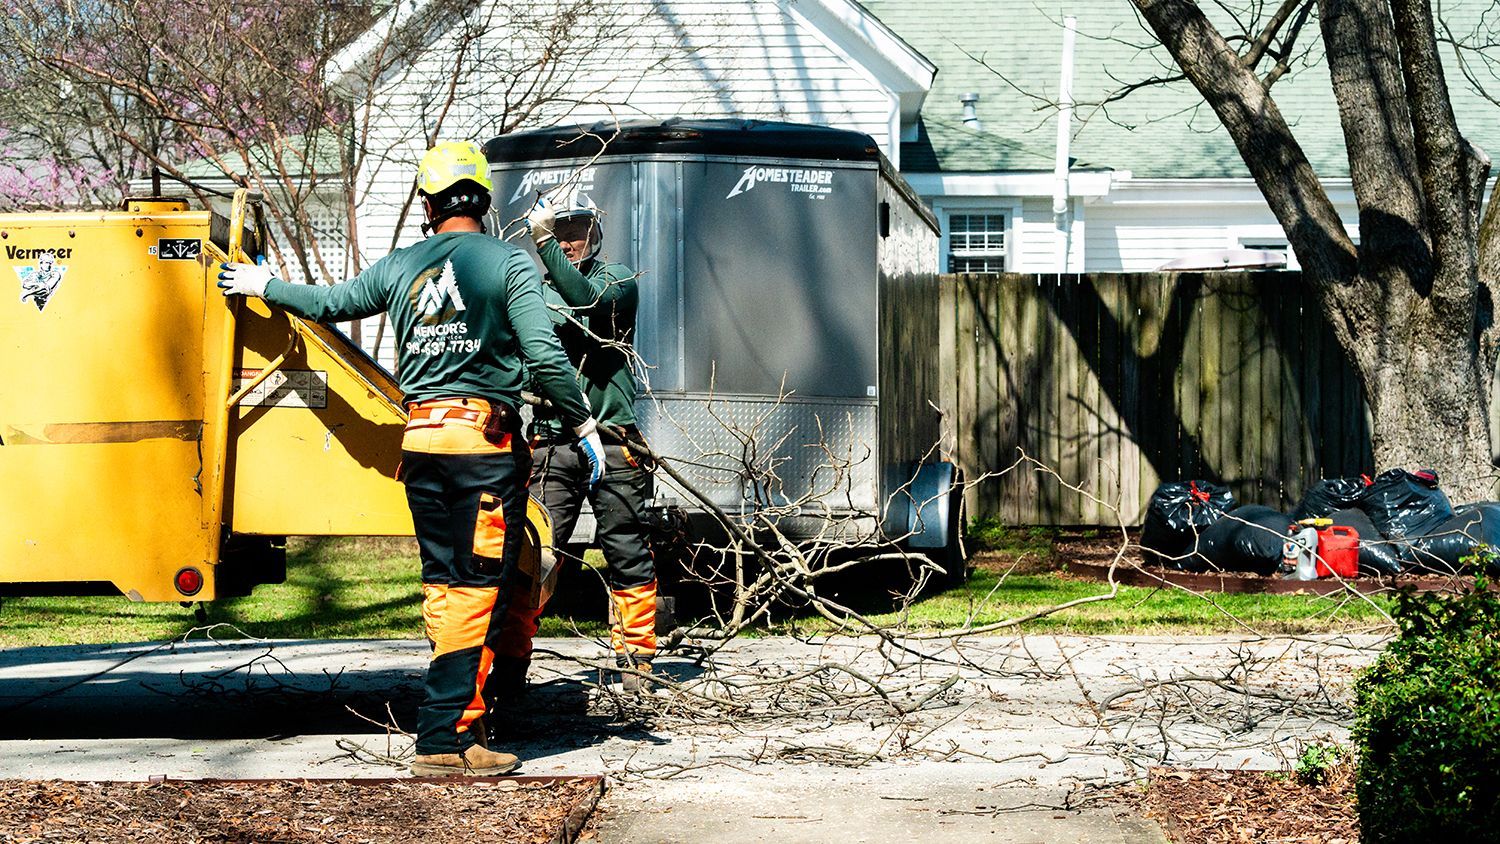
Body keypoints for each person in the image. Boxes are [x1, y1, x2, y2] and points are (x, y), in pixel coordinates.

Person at [216, 141, 606, 776]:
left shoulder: (402, 264)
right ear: (483, 200)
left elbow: (331, 304)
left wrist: (267, 284)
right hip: (481, 450)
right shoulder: (507, 262)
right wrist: (582, 417)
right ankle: (442, 736)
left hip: (421, 447)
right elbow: (543, 352)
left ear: (429, 204)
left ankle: (464, 722)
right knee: (478, 590)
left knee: (444, 585)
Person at [488, 191, 658, 699]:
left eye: (578, 227)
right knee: (531, 556)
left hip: (613, 438)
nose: (569, 238)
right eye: (557, 230)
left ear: (596, 230)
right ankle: (511, 667)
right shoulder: (533, 294)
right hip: (551, 440)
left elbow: (589, 301)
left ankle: (637, 661)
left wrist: (544, 246)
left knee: (625, 548)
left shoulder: (618, 280)